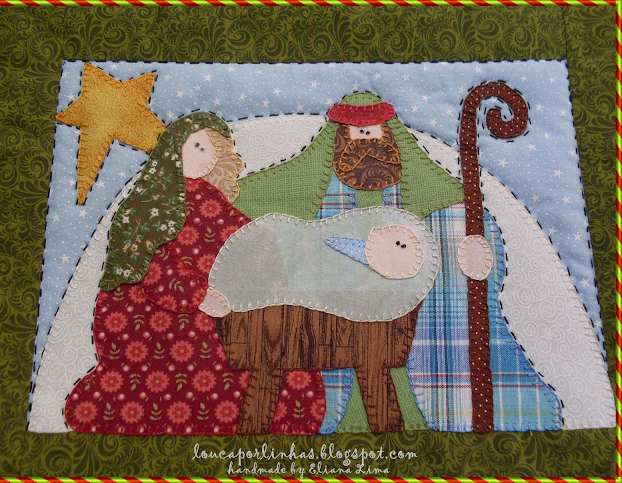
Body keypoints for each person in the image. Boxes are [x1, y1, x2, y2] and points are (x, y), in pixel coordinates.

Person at [233, 92, 561, 433]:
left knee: (391, 357)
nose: (365, 141)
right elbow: (268, 194)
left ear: (390, 136)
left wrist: (473, 245)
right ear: (338, 141)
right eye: (356, 133)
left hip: (402, 312)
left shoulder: (420, 191)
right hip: (331, 313)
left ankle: (414, 416)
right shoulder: (318, 187)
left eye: (373, 131)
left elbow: (459, 219)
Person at [65, 112, 326, 436]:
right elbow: (147, 263)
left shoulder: (205, 195)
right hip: (153, 309)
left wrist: (269, 247)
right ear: (173, 149)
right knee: (220, 351)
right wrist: (197, 295)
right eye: (198, 146)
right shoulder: (150, 200)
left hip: (210, 295)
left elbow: (238, 233)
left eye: (213, 150)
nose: (207, 157)